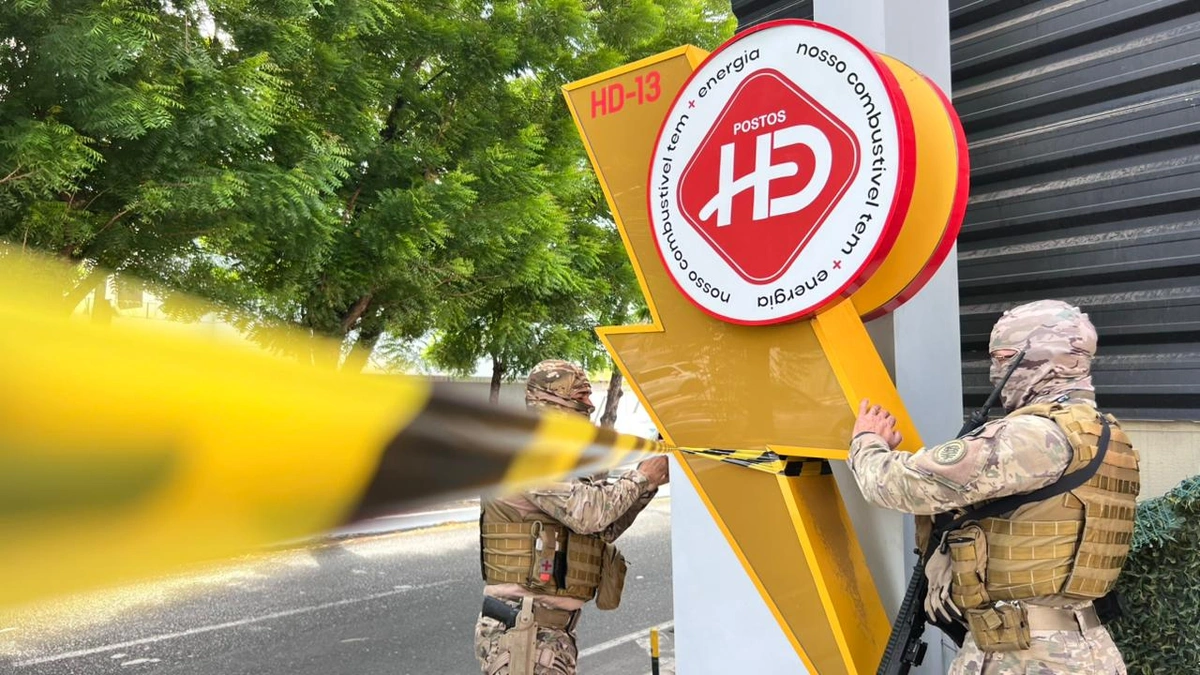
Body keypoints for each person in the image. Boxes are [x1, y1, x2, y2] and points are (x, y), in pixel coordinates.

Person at [846, 300, 1139, 674]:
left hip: (1024, 655)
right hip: (1087, 648)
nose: (994, 371)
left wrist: (868, 441)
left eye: (1004, 358)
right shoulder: (1106, 436)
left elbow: (898, 484)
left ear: (1039, 360)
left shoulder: (1032, 437)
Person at [474, 359, 670, 675]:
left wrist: (648, 483)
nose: (590, 405)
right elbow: (589, 515)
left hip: (547, 634)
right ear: (551, 399)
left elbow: (603, 529)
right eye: (581, 396)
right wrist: (642, 477)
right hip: (524, 634)